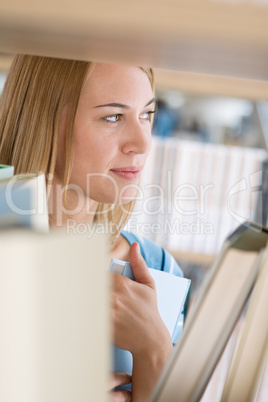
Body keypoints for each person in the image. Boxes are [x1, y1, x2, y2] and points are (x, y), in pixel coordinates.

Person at [0, 55, 183, 402]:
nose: (142, 143)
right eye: (113, 116)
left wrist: (155, 348)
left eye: (146, 114)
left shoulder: (158, 267)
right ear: (45, 122)